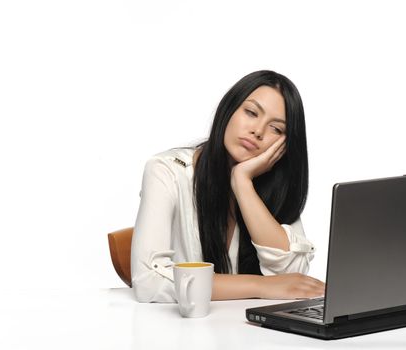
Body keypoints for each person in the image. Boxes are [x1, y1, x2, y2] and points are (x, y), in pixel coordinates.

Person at [131, 70, 325, 303]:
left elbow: (290, 278)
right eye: (251, 112)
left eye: (276, 129)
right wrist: (259, 286)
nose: (258, 131)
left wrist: (242, 183)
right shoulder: (167, 171)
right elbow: (149, 282)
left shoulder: (275, 186)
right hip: (180, 333)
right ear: (229, 109)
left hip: (249, 333)